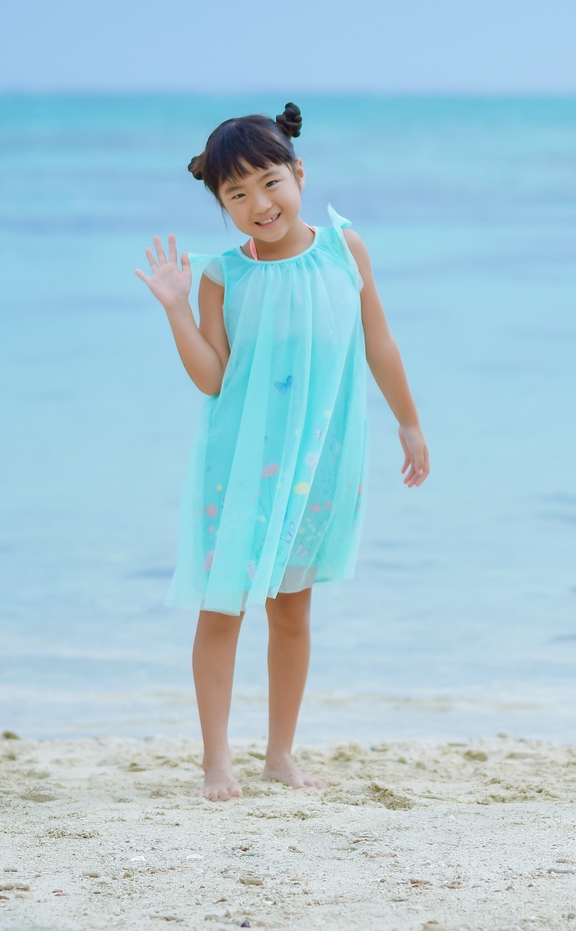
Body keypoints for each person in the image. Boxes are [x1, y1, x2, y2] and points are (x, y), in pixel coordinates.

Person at [135, 104, 429, 801]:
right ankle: (216, 762)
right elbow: (213, 376)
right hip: (237, 465)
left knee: (292, 608)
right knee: (222, 606)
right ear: (220, 203)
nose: (259, 204)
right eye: (236, 194)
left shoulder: (343, 248)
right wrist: (176, 307)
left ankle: (279, 754)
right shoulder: (222, 277)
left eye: (270, 182)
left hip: (317, 460)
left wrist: (409, 423)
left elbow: (379, 341)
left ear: (298, 173)